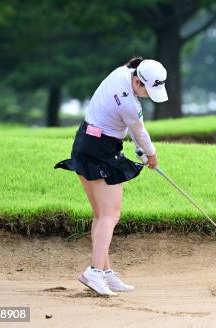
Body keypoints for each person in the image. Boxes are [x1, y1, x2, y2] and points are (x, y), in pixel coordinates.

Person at [54, 57, 168, 296]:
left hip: (85, 141)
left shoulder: (122, 72)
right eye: (149, 89)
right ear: (138, 82)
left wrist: (139, 149)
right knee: (111, 214)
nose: (150, 94)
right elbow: (139, 130)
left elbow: (127, 126)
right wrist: (152, 155)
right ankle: (94, 272)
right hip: (101, 150)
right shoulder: (130, 104)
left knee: (100, 214)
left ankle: (105, 272)